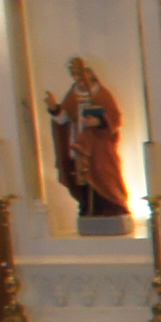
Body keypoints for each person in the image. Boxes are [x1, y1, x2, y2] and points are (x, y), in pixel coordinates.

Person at [48, 59, 125, 230]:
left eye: (82, 78)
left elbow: (115, 117)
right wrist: (54, 109)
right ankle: (88, 207)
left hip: (98, 145)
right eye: (76, 78)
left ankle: (111, 206)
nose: (80, 82)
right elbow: (64, 118)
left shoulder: (101, 94)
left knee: (101, 172)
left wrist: (98, 121)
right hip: (79, 144)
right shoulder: (74, 94)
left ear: (91, 76)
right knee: (81, 176)